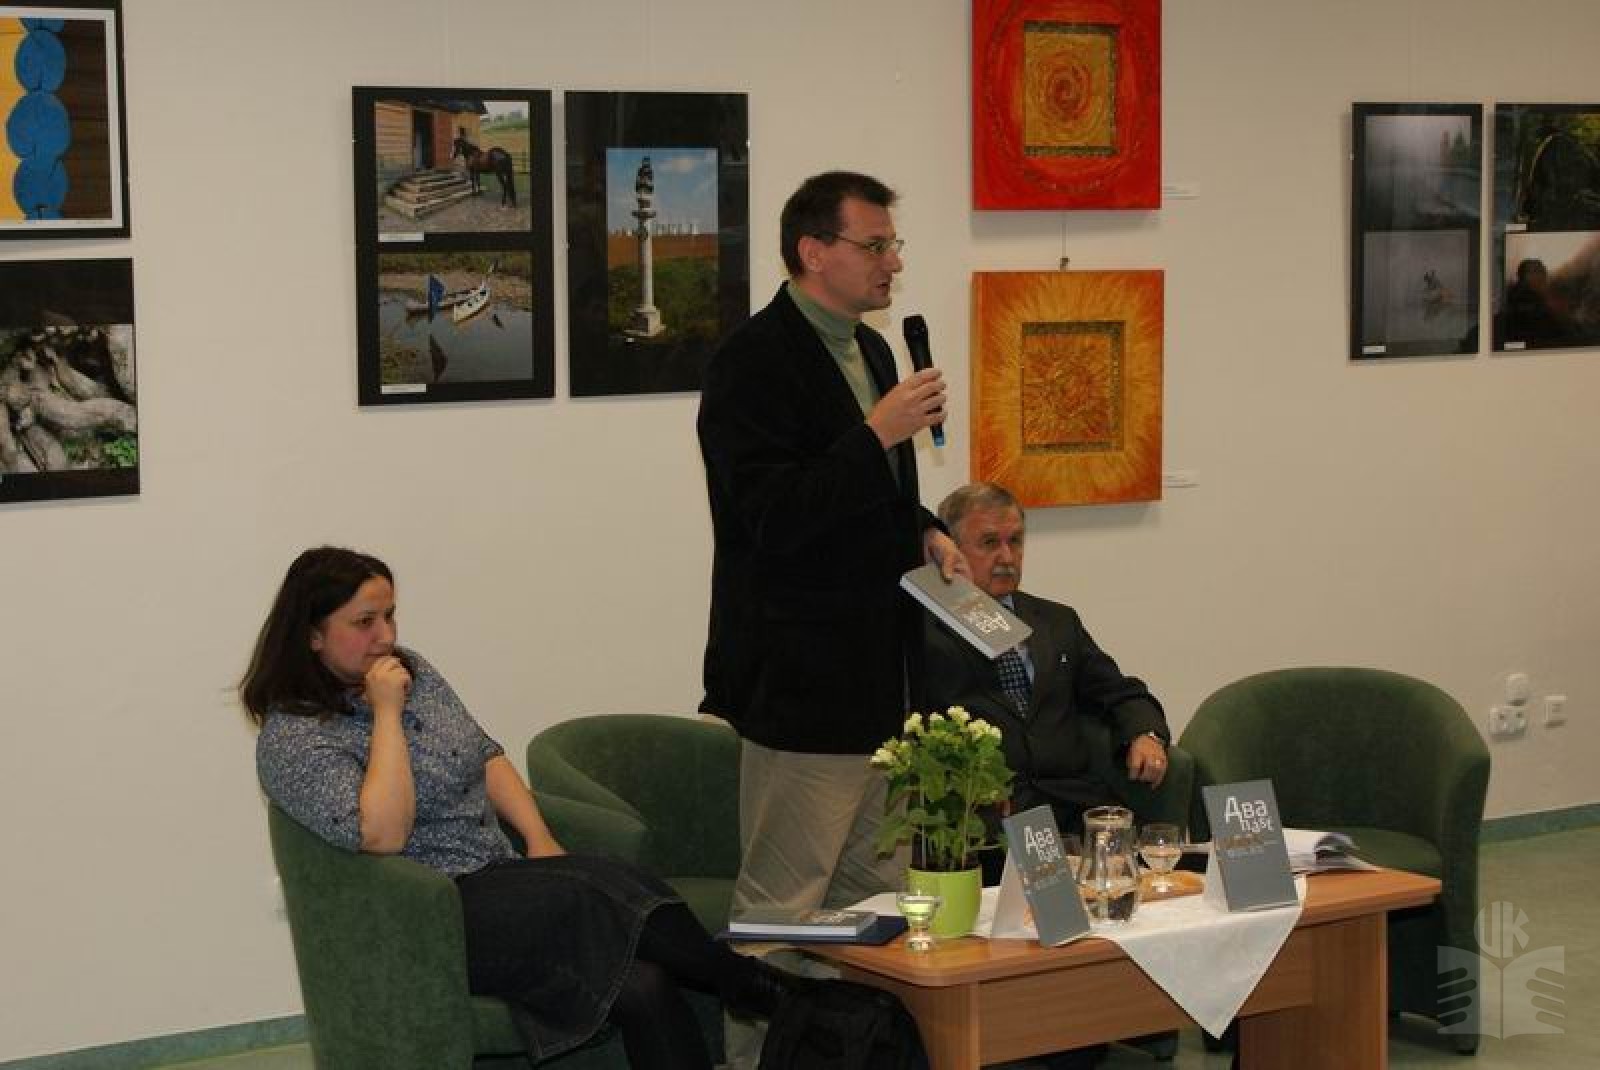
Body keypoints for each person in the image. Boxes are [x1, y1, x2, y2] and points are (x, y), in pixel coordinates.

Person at [241, 547, 798, 1070]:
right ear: (313, 635)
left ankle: (767, 994)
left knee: (643, 981)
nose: (385, 637)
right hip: (427, 916)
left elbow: (485, 756)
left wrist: (538, 837)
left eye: (390, 616)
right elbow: (384, 834)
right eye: (365, 622)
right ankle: (764, 991)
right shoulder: (294, 737)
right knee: (593, 893)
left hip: (500, 878)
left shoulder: (414, 672)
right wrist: (386, 715)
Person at [696, 171, 965, 923]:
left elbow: (867, 496)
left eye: (894, 245)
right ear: (814, 251)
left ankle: (857, 1013)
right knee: (782, 911)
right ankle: (765, 1013)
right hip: (802, 685)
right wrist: (876, 433)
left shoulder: (873, 350)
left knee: (878, 908)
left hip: (883, 682)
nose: (893, 263)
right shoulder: (750, 362)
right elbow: (772, 515)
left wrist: (926, 530)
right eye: (874, 246)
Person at [922, 482, 1171, 886]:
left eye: (1016, 541)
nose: (1007, 557)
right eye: (989, 543)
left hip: (1072, 808)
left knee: (1166, 876)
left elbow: (1120, 691)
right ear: (949, 549)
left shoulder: (1056, 621)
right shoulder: (925, 633)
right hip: (985, 820)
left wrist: (1146, 734)